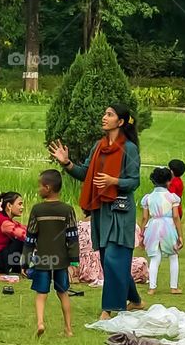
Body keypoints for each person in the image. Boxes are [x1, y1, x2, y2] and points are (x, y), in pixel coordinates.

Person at [49, 103, 143, 320]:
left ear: (120, 122)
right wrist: (67, 163)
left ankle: (109, 309)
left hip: (119, 211)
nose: (104, 117)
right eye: (105, 113)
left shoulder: (129, 148)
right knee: (108, 259)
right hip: (101, 210)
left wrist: (113, 181)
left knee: (113, 259)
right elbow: (86, 173)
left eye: (109, 115)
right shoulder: (98, 146)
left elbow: (134, 182)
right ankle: (135, 301)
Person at [25, 170, 79, 337]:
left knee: (41, 295)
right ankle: (68, 329)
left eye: (40, 186)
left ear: (47, 188)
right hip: (61, 261)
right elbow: (72, 236)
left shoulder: (37, 210)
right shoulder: (67, 210)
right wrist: (74, 261)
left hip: (42, 261)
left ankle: (40, 323)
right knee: (63, 293)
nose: (38, 189)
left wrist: (25, 261)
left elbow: (30, 237)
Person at [141, 166, 184, 295]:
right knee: (173, 256)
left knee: (154, 257)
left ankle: (152, 288)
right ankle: (173, 287)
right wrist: (180, 235)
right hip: (168, 227)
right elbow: (176, 216)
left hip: (153, 226)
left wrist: (142, 233)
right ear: (169, 181)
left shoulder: (148, 198)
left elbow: (144, 217)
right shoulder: (172, 198)